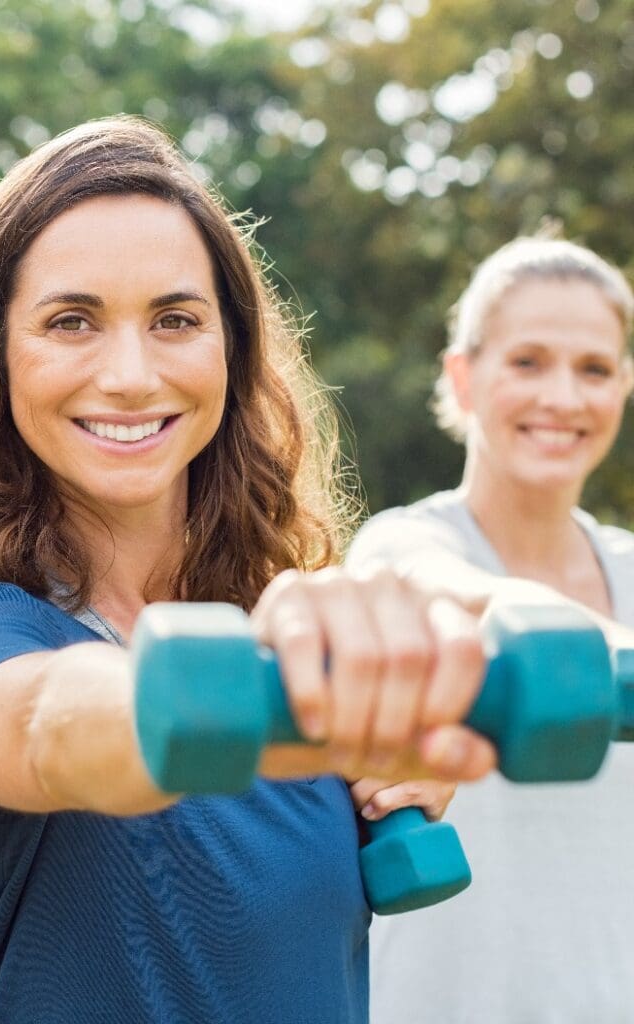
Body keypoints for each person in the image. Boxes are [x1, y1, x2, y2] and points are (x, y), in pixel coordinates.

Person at [0, 116, 504, 1024]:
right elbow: (59, 726)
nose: (129, 373)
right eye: (71, 321)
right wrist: (300, 714)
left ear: (229, 352)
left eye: (175, 320)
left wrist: (395, 745)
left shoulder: (285, 650)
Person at [347, 232, 634, 1023]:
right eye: (528, 361)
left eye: (595, 369)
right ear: (463, 378)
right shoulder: (406, 547)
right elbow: (440, 588)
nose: (564, 399)